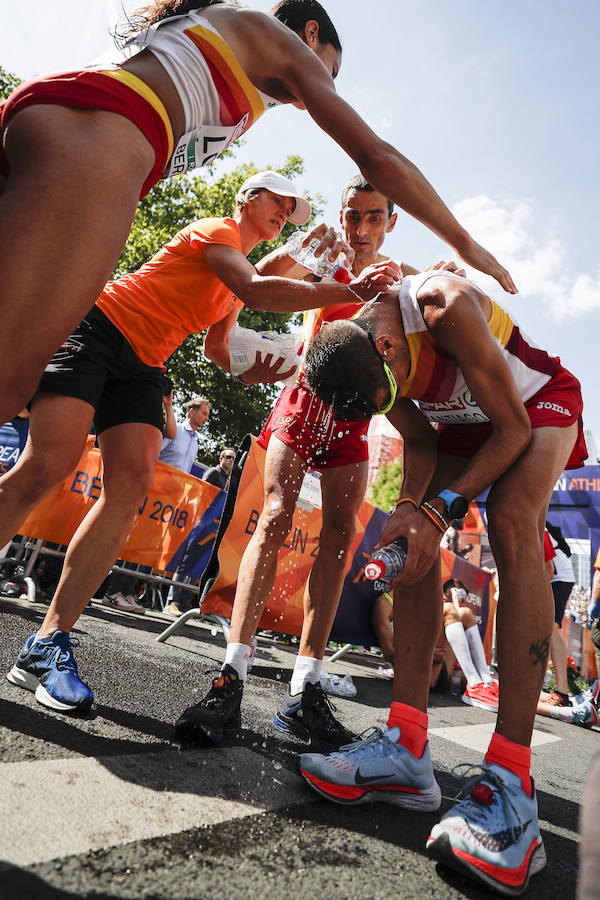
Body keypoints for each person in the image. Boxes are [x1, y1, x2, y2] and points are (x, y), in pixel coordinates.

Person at [0, 0, 517, 428]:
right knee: (11, 377)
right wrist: (465, 243)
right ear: (310, 34)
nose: (318, 90)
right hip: (102, 135)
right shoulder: (276, 40)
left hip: (62, 115)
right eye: (329, 70)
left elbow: (232, 322)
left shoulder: (233, 51)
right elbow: (376, 158)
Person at [4, 170, 398, 715]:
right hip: (101, 328)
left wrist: (253, 369)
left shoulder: (236, 276)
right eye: (277, 200)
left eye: (293, 207)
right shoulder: (217, 231)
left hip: (146, 364)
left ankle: (46, 645)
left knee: (131, 488)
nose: (285, 210)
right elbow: (258, 288)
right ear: (246, 198)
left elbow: (220, 347)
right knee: (47, 464)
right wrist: (355, 287)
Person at [300, 267, 587, 894]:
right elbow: (422, 442)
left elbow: (511, 430)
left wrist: (442, 510)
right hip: (462, 424)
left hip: (532, 405)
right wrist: (413, 511)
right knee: (413, 535)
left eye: (388, 391)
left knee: (512, 517)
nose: (391, 402)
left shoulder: (442, 307)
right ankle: (406, 743)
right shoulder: (365, 352)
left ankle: (513, 783)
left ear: (387, 347)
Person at [174, 174, 421, 752]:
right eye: (352, 216)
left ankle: (304, 689)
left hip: (357, 417)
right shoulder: (324, 250)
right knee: (276, 515)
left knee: (340, 533)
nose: (360, 229)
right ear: (341, 215)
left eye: (373, 218)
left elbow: (415, 355)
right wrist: (297, 253)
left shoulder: (400, 279)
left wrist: (439, 282)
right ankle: (231, 674)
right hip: (304, 397)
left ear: (391, 222)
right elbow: (258, 285)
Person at [441, 579, 498, 711]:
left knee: (506, 693)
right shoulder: (441, 609)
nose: (454, 601)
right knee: (459, 612)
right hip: (437, 672)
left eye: (461, 598)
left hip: (457, 679)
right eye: (448, 595)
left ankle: (484, 682)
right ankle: (475, 684)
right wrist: (454, 599)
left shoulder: (464, 618)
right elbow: (451, 612)